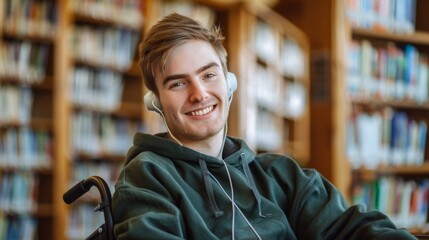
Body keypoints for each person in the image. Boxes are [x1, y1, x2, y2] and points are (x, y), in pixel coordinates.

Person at [111, 13, 417, 240]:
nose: (199, 94)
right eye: (178, 83)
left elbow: (353, 228)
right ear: (157, 103)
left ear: (229, 83)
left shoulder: (280, 175)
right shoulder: (146, 178)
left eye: (208, 75)